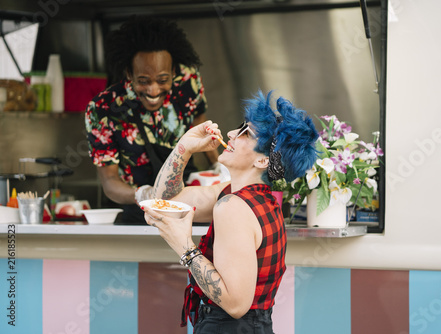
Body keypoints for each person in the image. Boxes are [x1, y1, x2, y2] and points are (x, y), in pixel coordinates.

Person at [143, 91, 319, 333]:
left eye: (246, 133)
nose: (231, 134)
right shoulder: (245, 196)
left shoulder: (234, 207)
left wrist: (183, 246)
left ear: (263, 161)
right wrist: (184, 147)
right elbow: (163, 201)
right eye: (240, 127)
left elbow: (236, 305)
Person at [85, 17, 218, 225]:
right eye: (143, 81)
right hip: (139, 215)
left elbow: (199, 121)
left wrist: (216, 163)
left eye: (163, 80)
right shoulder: (103, 109)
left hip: (188, 208)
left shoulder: (187, 83)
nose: (153, 90)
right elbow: (109, 181)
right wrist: (142, 195)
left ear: (174, 72)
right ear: (129, 73)